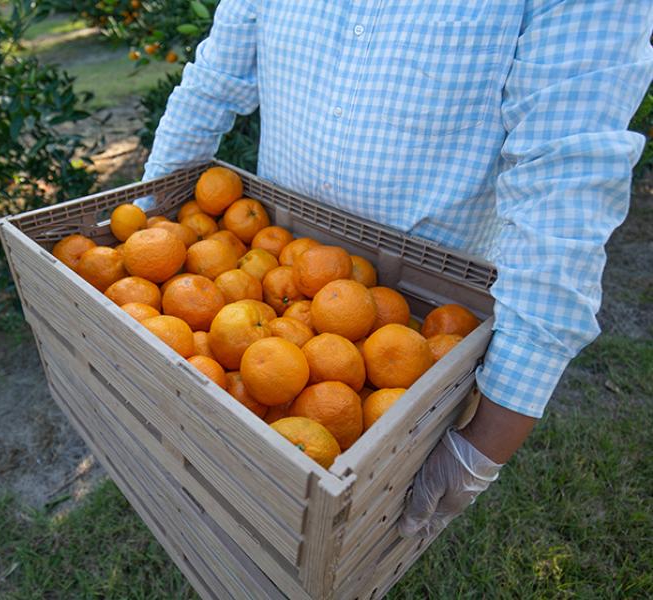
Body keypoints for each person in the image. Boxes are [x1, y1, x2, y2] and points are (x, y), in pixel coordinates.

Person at [142, 1, 653, 541]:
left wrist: (484, 441)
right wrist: (148, 226)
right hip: (268, 269)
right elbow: (213, 84)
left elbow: (567, 175)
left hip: (427, 318)